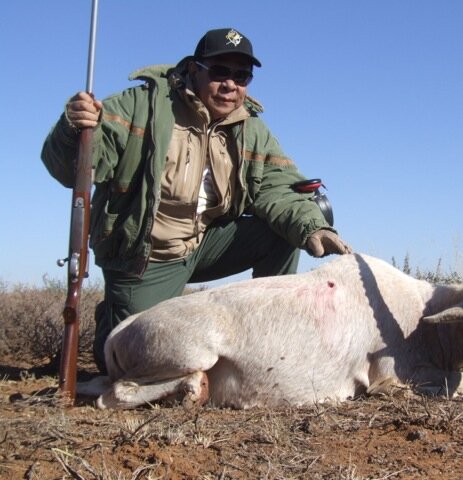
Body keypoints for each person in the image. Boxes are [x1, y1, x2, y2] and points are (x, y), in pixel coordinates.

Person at [42, 28, 352, 374]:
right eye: (219, 72)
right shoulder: (138, 107)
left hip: (205, 243)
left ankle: (272, 345)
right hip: (147, 257)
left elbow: (278, 187)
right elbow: (72, 171)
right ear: (193, 69)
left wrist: (312, 226)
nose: (230, 84)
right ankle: (112, 322)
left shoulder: (251, 128)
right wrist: (73, 130)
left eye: (241, 76)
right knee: (139, 362)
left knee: (281, 234)